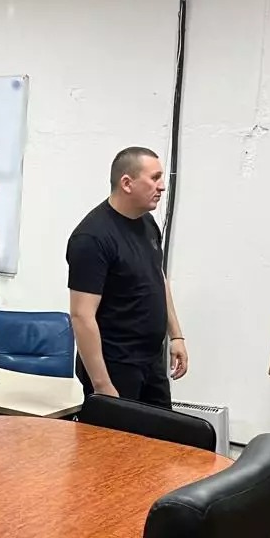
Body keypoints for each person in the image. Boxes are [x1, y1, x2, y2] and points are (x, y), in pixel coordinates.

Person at [65, 146, 187, 406]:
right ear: (127, 183)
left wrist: (176, 335)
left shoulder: (147, 224)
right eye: (154, 178)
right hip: (116, 365)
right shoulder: (92, 238)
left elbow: (157, 278)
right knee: (116, 434)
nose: (162, 186)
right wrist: (102, 386)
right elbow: (81, 316)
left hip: (151, 361)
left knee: (161, 431)